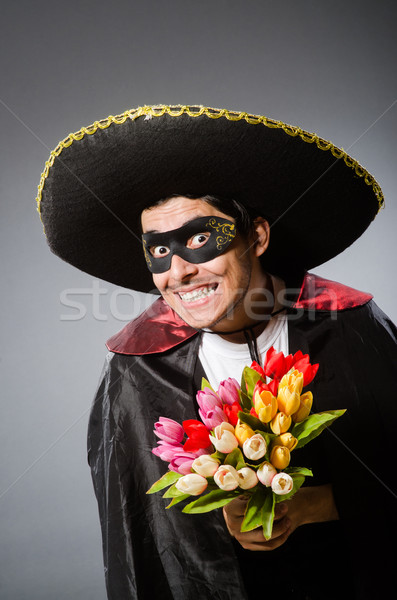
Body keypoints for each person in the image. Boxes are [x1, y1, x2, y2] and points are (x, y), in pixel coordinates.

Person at [37, 105, 397, 599]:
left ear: (257, 236)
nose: (179, 272)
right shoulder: (138, 367)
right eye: (159, 251)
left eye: (200, 239)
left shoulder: (350, 327)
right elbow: (142, 529)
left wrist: (310, 506)